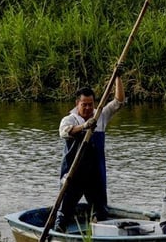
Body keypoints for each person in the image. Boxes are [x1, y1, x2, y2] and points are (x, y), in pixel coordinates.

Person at [54, 73, 126, 232]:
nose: (88, 108)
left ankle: (101, 232)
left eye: (90, 104)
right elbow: (64, 132)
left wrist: (118, 78)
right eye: (84, 105)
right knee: (65, 209)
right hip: (74, 173)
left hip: (95, 174)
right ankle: (59, 232)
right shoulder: (70, 119)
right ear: (77, 104)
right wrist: (84, 126)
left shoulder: (100, 115)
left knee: (100, 210)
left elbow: (119, 102)